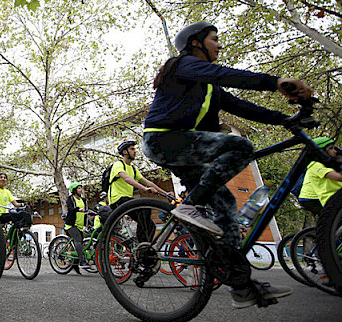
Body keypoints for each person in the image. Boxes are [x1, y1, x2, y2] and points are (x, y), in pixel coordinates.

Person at [141, 21, 311, 309]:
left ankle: (241, 285)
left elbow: (243, 107)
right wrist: (275, 82)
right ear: (196, 43)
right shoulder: (183, 65)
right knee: (240, 145)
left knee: (225, 208)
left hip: (185, 148)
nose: (219, 45)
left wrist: (285, 120)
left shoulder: (211, 88)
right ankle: (189, 205)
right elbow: (222, 73)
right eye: (214, 39)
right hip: (163, 141)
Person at [299, 137, 342, 211]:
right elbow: (338, 177)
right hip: (330, 200)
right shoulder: (314, 165)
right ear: (322, 151)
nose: (335, 151)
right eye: (331, 148)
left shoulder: (331, 164)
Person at [64, 182, 91, 270]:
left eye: (81, 188)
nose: (81, 190)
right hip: (71, 225)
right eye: (79, 188)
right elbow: (70, 209)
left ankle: (75, 265)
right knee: (78, 240)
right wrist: (78, 209)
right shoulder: (70, 199)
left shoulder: (83, 200)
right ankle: (82, 262)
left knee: (81, 244)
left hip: (80, 226)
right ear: (74, 190)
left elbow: (86, 211)